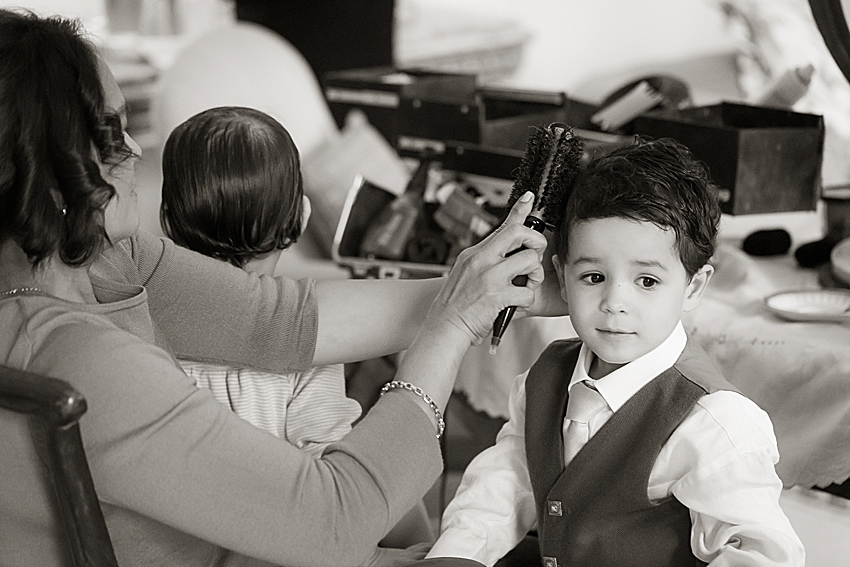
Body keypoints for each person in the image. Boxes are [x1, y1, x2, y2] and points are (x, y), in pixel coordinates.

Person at [0, 9, 556, 567]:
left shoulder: (104, 260)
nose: (138, 149)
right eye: (112, 133)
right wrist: (453, 326)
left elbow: (277, 319)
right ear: (49, 169)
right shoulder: (80, 358)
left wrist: (494, 290)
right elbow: (333, 523)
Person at [425, 137, 805, 566]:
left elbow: (763, 552)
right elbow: (504, 483)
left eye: (647, 281)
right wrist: (457, 556)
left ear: (693, 287)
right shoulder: (545, 378)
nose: (614, 302)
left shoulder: (714, 422)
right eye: (593, 276)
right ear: (561, 277)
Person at [160, 106, 359, 455]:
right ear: (300, 217)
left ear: (166, 221)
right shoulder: (308, 336)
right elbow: (329, 467)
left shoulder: (140, 315)